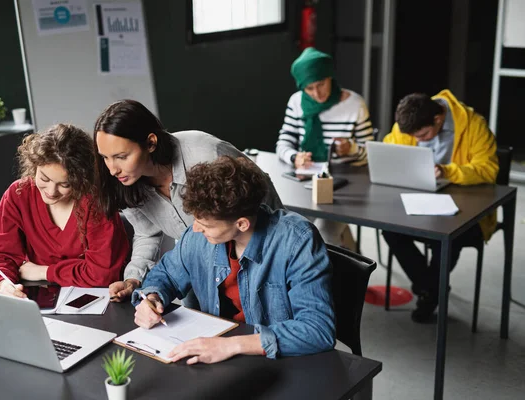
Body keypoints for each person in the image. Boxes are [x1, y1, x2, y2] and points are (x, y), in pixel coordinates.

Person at [132, 156, 335, 363]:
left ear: (242, 224)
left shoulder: (296, 240)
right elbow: (165, 275)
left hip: (277, 361)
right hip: (216, 354)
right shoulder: (196, 237)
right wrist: (152, 298)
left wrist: (232, 345)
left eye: (207, 225)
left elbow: (317, 329)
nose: (195, 228)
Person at [94, 100, 283, 302]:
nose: (112, 169)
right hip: (197, 266)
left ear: (150, 143)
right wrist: (133, 279)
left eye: (121, 156)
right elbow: (147, 234)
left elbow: (264, 201)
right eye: (105, 157)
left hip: (256, 255)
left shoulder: (206, 153)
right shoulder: (124, 184)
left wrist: (281, 254)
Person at [382, 90, 499, 323]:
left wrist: (448, 171)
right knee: (390, 230)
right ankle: (433, 288)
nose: (420, 140)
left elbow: (489, 169)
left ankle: (429, 291)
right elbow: (390, 149)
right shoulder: (412, 122)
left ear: (438, 119)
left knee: (445, 237)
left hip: (466, 207)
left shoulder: (473, 124)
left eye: (424, 135)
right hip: (420, 200)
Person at [0, 124, 130, 298]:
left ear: (82, 179)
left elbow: (102, 274)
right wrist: (3, 284)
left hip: (99, 298)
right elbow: (0, 255)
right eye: (44, 178)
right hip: (42, 297)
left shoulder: (96, 202)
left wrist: (44, 272)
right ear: (34, 166)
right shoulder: (18, 195)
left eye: (65, 184)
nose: (51, 192)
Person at [276, 47, 374, 249]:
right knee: (292, 229)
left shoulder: (355, 104)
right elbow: (283, 142)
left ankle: (336, 276)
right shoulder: (297, 102)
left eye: (320, 84)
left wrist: (352, 149)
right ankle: (352, 255)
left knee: (322, 233)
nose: (316, 93)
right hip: (306, 182)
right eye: (309, 89)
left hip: (346, 185)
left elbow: (371, 153)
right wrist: (295, 157)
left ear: (330, 77)